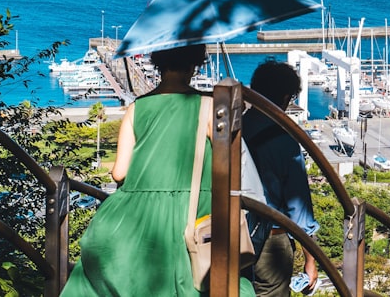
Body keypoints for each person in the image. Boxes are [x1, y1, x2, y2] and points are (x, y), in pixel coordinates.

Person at [62, 44, 255, 296]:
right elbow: (229, 167)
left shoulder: (137, 107)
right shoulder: (209, 107)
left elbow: (119, 173)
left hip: (134, 216)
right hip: (193, 212)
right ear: (193, 65)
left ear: (158, 64)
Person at [243, 60, 319, 297]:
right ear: (286, 97)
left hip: (231, 230)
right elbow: (299, 207)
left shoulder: (233, 128)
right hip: (271, 241)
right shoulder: (284, 139)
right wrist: (311, 260)